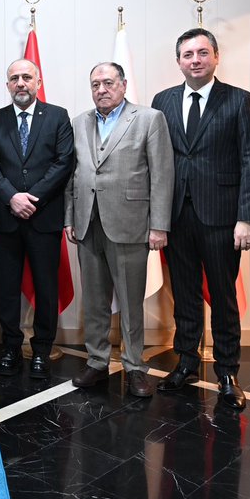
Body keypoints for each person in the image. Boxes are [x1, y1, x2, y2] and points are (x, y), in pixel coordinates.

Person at [151, 28, 250, 409]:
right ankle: (186, 361)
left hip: (222, 216)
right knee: (184, 293)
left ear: (216, 57)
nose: (194, 60)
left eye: (202, 53)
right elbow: (158, 161)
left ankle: (227, 370)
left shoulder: (238, 100)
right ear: (178, 61)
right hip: (177, 214)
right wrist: (156, 217)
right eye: (187, 54)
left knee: (223, 295)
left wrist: (247, 217)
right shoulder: (162, 100)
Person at [66, 62, 174, 397]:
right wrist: (70, 217)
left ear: (123, 85)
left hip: (130, 223)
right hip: (87, 222)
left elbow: (162, 175)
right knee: (95, 300)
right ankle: (97, 362)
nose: (102, 89)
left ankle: (135, 366)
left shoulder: (148, 118)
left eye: (108, 83)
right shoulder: (78, 122)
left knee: (130, 300)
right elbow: (73, 175)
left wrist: (158, 226)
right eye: (95, 83)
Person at [0, 59, 75, 379]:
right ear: (7, 85)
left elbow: (64, 163)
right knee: (7, 288)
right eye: (14, 78)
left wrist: (31, 198)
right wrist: (12, 197)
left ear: (38, 81)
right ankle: (10, 347)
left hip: (43, 217)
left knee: (46, 287)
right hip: (6, 219)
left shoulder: (58, 117)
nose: (20, 83)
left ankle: (42, 350)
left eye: (26, 77)